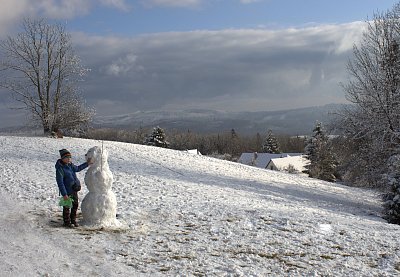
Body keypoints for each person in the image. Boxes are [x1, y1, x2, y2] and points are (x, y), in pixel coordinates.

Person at [55, 148, 91, 227]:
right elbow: (60, 183)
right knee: (67, 207)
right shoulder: (60, 169)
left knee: (75, 205)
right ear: (62, 158)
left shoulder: (70, 166)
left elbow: (78, 168)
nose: (69, 159)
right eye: (67, 158)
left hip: (74, 189)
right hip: (67, 192)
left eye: (70, 157)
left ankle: (73, 220)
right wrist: (64, 194)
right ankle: (67, 222)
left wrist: (87, 163)